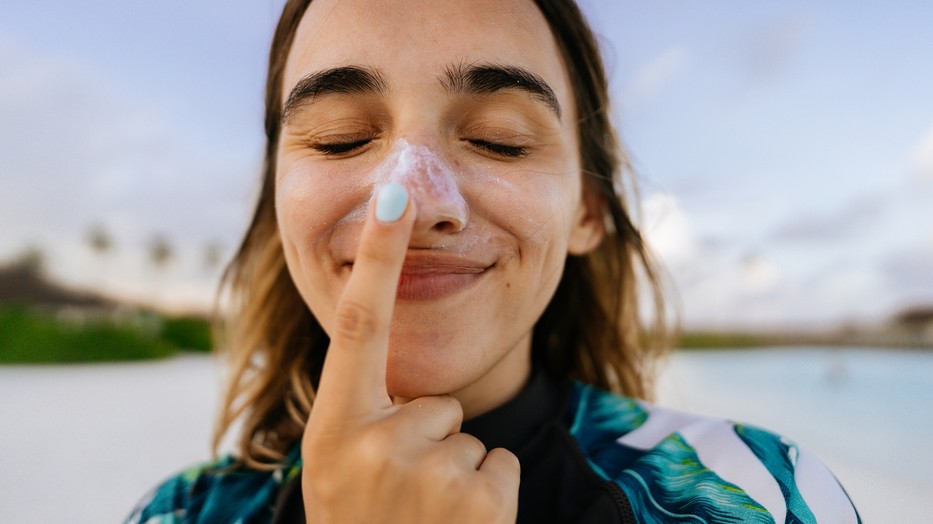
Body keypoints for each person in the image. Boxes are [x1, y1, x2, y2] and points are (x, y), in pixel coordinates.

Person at [127, 0, 861, 522]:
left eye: (499, 140)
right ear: (275, 207)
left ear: (586, 211)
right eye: (340, 138)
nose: (412, 198)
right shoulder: (177, 515)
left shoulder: (760, 495)